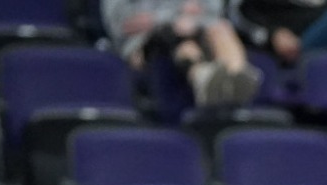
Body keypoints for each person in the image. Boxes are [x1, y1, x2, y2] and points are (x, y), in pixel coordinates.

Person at [103, 0, 260, 106]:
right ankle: (202, 76)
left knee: (221, 28)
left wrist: (190, 20)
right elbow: (122, 24)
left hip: (196, 28)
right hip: (144, 42)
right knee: (178, 37)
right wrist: (172, 16)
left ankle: (237, 78)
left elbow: (211, 11)